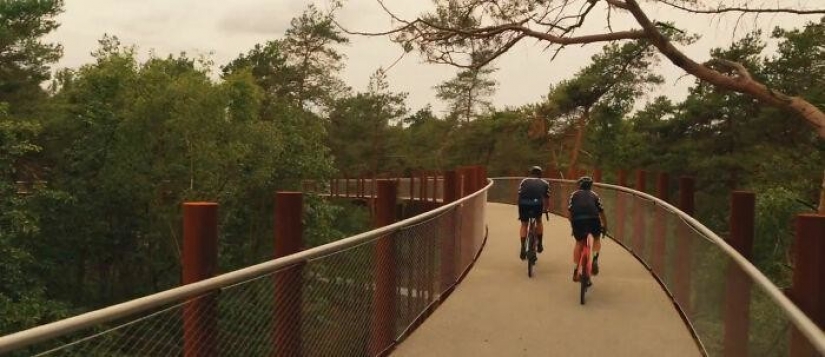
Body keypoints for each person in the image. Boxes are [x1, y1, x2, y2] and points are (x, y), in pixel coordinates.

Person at [568, 176, 607, 282]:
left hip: (578, 220)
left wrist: (573, 225)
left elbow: (570, 213)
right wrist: (605, 226)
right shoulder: (595, 195)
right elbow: (602, 212)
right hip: (593, 219)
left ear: (579, 185)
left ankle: (576, 271)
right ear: (591, 186)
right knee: (596, 238)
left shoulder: (574, 195)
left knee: (579, 243)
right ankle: (595, 258)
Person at [517, 166, 550, 260]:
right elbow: (547, 199)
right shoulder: (545, 183)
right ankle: (539, 244)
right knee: (539, 221)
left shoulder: (524, 181)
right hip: (537, 204)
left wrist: (519, 208)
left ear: (531, 173)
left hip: (523, 204)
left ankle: (523, 247)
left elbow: (519, 196)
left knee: (524, 224)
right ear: (540, 174)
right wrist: (546, 209)